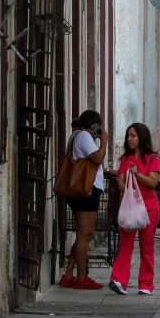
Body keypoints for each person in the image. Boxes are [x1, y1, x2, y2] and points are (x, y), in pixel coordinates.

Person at [109, 123, 160, 296]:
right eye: (128, 136)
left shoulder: (153, 158)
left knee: (147, 246)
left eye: (133, 136)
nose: (130, 139)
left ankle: (146, 284)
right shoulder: (125, 158)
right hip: (130, 207)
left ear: (142, 137)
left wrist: (137, 174)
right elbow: (121, 179)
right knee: (125, 244)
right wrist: (122, 184)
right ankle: (119, 280)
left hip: (149, 208)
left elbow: (153, 183)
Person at [59, 110, 108, 290]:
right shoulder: (84, 137)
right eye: (98, 127)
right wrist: (104, 142)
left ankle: (68, 274)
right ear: (94, 126)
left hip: (80, 190)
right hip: (86, 190)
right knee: (86, 234)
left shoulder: (77, 136)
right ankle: (81, 278)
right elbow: (97, 157)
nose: (100, 131)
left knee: (83, 234)